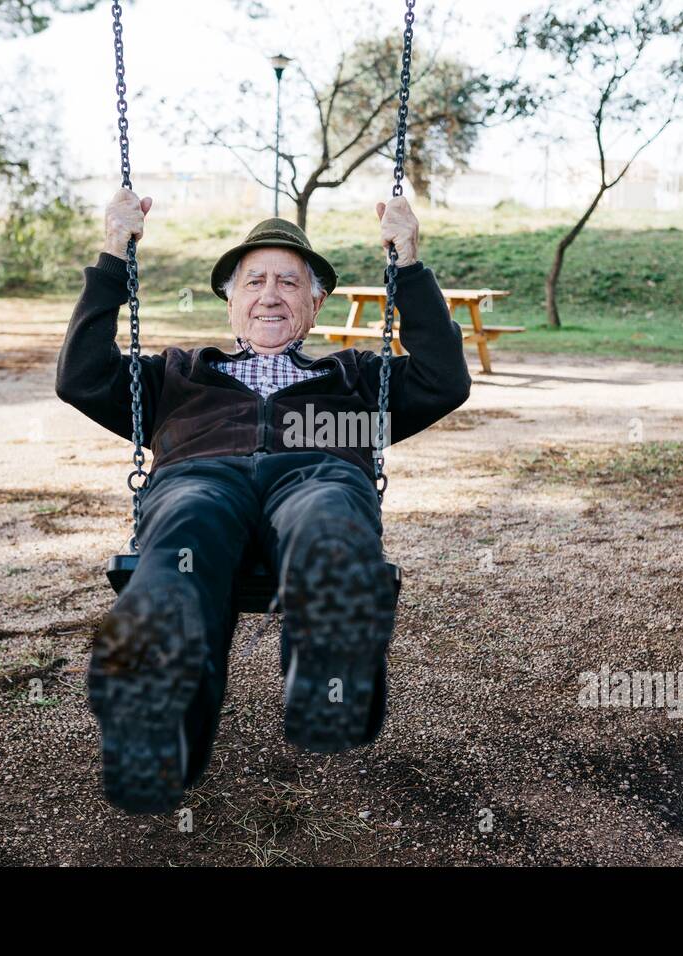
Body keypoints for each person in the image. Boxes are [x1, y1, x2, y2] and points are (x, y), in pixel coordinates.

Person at [56, 188, 470, 812]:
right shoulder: (177, 374)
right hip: (202, 473)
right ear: (230, 301)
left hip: (319, 471)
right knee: (187, 525)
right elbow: (81, 377)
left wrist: (406, 264)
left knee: (327, 519)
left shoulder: (356, 379)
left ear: (315, 302)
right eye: (253, 282)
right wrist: (115, 252)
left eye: (288, 282)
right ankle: (158, 713)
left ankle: (332, 668)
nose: (270, 295)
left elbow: (444, 380)